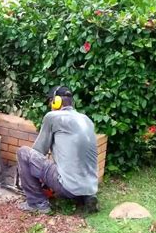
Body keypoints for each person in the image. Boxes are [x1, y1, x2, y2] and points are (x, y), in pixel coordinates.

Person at [16, 86, 99, 214]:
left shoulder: (53, 117)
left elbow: (38, 152)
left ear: (56, 101)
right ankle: (87, 197)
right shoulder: (86, 119)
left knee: (23, 153)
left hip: (68, 188)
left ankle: (37, 203)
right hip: (91, 187)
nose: (50, 105)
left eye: (50, 101)